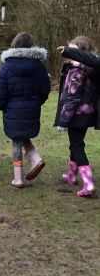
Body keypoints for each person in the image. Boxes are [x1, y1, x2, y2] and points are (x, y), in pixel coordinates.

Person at [0, 32, 50, 187]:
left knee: (16, 141)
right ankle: (35, 159)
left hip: (13, 108)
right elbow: (45, 89)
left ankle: (18, 178)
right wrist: (37, 102)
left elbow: (1, 91)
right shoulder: (39, 66)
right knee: (21, 135)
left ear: (14, 45)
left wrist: (4, 106)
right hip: (32, 107)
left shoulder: (6, 67)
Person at [55, 36, 99, 197]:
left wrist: (63, 120)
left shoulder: (76, 71)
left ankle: (88, 183)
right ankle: (71, 176)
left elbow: (72, 97)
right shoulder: (91, 69)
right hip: (87, 113)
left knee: (77, 146)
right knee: (75, 143)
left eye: (73, 51)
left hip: (76, 114)